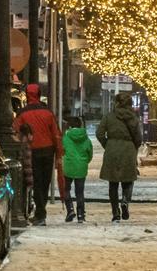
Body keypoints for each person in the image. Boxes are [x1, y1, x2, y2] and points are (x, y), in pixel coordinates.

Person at [13, 83, 62, 225]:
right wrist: (59, 153)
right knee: (45, 182)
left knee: (36, 182)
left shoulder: (22, 114)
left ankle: (40, 213)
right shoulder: (48, 113)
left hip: (31, 151)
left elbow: (15, 131)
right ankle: (41, 212)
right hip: (48, 151)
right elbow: (56, 134)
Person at [95, 92, 142, 223]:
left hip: (112, 150)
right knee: (128, 180)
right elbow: (138, 137)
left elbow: (99, 133)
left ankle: (115, 212)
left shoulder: (109, 117)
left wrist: (108, 144)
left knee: (113, 183)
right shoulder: (133, 118)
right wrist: (133, 147)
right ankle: (125, 201)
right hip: (128, 150)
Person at [61, 116, 93, 223]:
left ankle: (70, 209)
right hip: (81, 167)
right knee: (80, 192)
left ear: (70, 126)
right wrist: (85, 161)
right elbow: (90, 153)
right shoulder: (86, 138)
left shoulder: (66, 137)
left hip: (68, 166)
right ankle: (80, 214)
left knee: (66, 189)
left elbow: (62, 149)